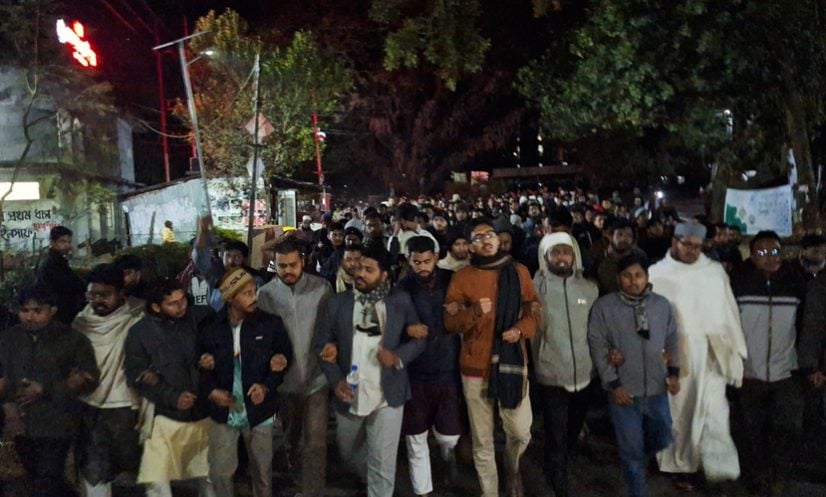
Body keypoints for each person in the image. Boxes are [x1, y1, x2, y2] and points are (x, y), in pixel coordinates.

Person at [314, 245, 426, 497]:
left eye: (368, 269)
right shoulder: (338, 303)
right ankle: (367, 476)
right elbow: (322, 345)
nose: (360, 273)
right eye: (358, 268)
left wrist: (397, 357)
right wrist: (336, 380)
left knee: (383, 462)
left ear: (384, 275)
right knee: (348, 451)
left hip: (388, 392)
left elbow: (420, 339)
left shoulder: (400, 302)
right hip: (349, 391)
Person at [444, 221, 539, 497]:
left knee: (520, 431)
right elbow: (450, 322)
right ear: (470, 246)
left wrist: (520, 330)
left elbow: (533, 309)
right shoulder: (462, 277)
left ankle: (512, 467)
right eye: (478, 237)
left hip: (512, 363)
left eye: (490, 235)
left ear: (499, 240)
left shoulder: (519, 272)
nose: (485, 240)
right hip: (475, 367)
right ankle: (490, 492)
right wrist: (473, 312)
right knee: (482, 439)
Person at [649, 222, 747, 489]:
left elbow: (728, 312)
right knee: (681, 414)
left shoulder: (714, 272)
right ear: (675, 242)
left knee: (715, 412)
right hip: (676, 357)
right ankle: (680, 465)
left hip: (712, 355)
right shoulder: (657, 274)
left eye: (698, 246)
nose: (693, 251)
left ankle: (719, 470)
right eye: (688, 244)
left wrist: (735, 349)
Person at [588, 253, 680, 497]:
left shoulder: (661, 305)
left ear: (647, 277)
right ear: (618, 278)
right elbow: (598, 345)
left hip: (657, 389)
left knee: (663, 436)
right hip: (624, 393)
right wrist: (613, 384)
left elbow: (672, 339)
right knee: (631, 451)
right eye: (627, 276)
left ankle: (640, 460)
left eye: (638, 275)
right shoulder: (604, 307)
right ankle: (637, 489)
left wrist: (674, 373)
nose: (633, 281)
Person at [198, 267, 293, 497]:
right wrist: (211, 391)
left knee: (262, 472)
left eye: (254, 291)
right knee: (221, 473)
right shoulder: (211, 328)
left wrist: (267, 386)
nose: (254, 297)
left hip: (260, 411)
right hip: (223, 412)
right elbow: (198, 367)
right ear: (230, 298)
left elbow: (283, 359)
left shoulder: (270, 324)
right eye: (247, 293)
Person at [0, 285, 100, 497]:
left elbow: (89, 379)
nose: (30, 316)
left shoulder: (72, 339)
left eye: (37, 311)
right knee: (39, 477)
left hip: (57, 422)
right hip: (22, 424)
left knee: (47, 479)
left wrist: (45, 388)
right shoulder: (9, 339)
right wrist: (9, 408)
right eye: (25, 310)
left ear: (52, 310)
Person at [730, 231, 805, 495]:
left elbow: (806, 326)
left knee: (787, 428)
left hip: (785, 372)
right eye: (761, 253)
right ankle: (758, 476)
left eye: (774, 252)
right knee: (752, 430)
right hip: (749, 373)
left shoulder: (795, 285)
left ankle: (778, 474)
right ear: (751, 256)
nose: (769, 258)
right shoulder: (739, 286)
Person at [124, 279, 214, 497]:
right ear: (156, 307)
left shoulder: (197, 319)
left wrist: (209, 361)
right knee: (158, 479)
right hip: (162, 416)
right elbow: (138, 375)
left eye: (183, 299)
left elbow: (214, 348)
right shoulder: (140, 333)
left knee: (208, 474)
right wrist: (172, 397)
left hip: (200, 410)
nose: (181, 306)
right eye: (173, 303)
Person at [257, 239, 333, 497]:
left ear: (303, 262)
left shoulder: (322, 288)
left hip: (317, 378)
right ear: (275, 265)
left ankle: (311, 490)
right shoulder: (266, 295)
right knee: (292, 437)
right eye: (282, 266)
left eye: (292, 265)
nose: (287, 270)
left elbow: (331, 328)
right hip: (285, 383)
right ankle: (296, 471)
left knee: (316, 441)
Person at [396, 237, 465, 497]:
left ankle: (448, 453)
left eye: (427, 261)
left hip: (447, 366)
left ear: (436, 257)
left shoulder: (452, 280)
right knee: (415, 436)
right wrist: (407, 329)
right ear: (408, 260)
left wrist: (461, 308)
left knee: (449, 435)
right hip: (415, 371)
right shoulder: (401, 289)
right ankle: (422, 490)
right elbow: (391, 324)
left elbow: (468, 310)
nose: (422, 267)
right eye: (417, 262)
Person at [531, 232, 599, 497]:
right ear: (545, 256)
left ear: (574, 255)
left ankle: (565, 454)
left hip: (585, 370)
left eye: (566, 251)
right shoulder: (534, 289)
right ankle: (556, 472)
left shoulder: (589, 289)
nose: (561, 257)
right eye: (555, 252)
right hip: (551, 370)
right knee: (556, 429)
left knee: (574, 425)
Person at [72, 264, 145, 497]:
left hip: (126, 406)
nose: (98, 301)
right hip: (89, 405)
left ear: (121, 293)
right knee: (93, 469)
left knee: (131, 470)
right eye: (92, 295)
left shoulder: (138, 319)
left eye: (105, 295)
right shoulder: (81, 323)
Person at [192, 215, 264, 310]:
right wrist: (203, 231)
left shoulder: (255, 280)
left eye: (237, 257)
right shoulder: (214, 274)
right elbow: (200, 256)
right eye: (228, 256)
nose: (231, 261)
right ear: (222, 256)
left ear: (244, 259)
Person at [34, 225, 85, 324]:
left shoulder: (53, 259)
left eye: (69, 242)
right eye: (62, 242)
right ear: (53, 242)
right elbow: (70, 284)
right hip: (58, 311)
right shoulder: (54, 262)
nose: (67, 245)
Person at [594, 219, 646, 295]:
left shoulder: (640, 256)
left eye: (629, 235)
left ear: (633, 240)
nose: (623, 239)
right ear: (611, 236)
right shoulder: (599, 256)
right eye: (619, 234)